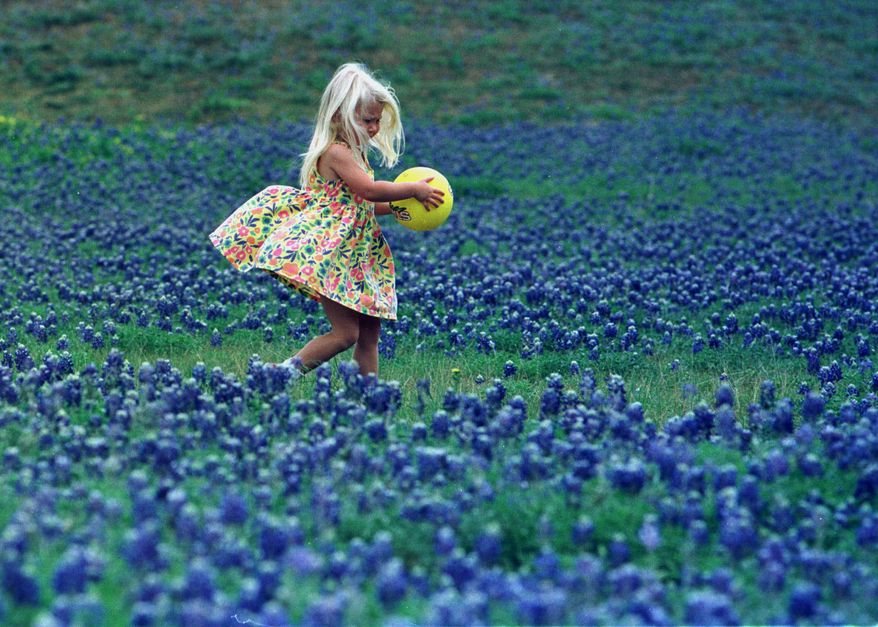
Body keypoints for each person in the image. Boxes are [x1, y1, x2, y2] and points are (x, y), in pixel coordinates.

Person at [209, 63, 443, 377]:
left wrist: (400, 208)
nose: (374, 128)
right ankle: (280, 374)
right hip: (332, 254)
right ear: (338, 117)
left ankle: (368, 397)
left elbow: (361, 205)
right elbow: (369, 190)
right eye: (367, 120)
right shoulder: (336, 153)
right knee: (346, 333)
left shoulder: (357, 154)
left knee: (369, 336)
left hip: (359, 255)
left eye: (377, 120)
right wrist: (411, 189)